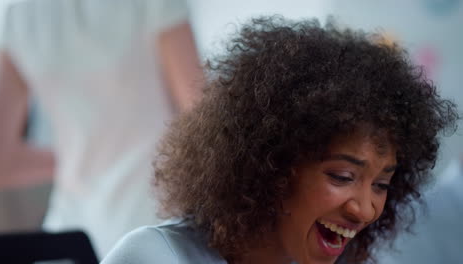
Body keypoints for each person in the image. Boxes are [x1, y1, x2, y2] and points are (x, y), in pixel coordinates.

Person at [102, 16, 458, 264]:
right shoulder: (156, 257)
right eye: (342, 177)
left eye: (381, 184)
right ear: (272, 165)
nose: (365, 209)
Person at [0, 0, 203, 258]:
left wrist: (78, 156)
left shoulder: (19, 17)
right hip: (155, 222)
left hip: (72, 231)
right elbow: (203, 123)